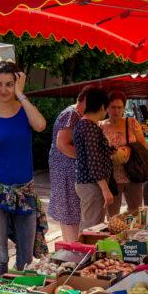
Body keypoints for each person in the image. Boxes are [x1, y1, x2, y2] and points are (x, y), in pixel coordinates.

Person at [0, 62, 48, 277]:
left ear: (17, 84)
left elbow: (40, 125)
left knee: (26, 255)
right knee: (0, 255)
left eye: (9, 84)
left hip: (26, 191)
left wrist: (21, 95)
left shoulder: (25, 112)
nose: (3, 90)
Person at [47, 87, 91, 243]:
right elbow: (63, 144)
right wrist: (87, 156)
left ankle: (70, 247)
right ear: (85, 100)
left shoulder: (73, 113)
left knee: (68, 210)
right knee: (70, 211)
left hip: (64, 168)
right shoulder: (72, 114)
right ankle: (73, 248)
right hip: (65, 169)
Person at [100, 90, 148, 215]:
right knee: (113, 216)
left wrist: (129, 149)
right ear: (107, 107)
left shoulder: (131, 123)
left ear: (123, 108)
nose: (116, 111)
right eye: (113, 107)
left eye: (119, 107)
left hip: (133, 175)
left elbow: (143, 146)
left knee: (136, 212)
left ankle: (134, 234)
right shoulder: (100, 126)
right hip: (111, 178)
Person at [73, 88, 115, 229]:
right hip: (92, 184)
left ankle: (85, 250)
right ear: (103, 106)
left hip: (88, 182)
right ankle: (85, 251)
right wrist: (105, 188)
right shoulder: (89, 127)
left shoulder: (84, 125)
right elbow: (93, 159)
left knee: (91, 224)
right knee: (92, 227)